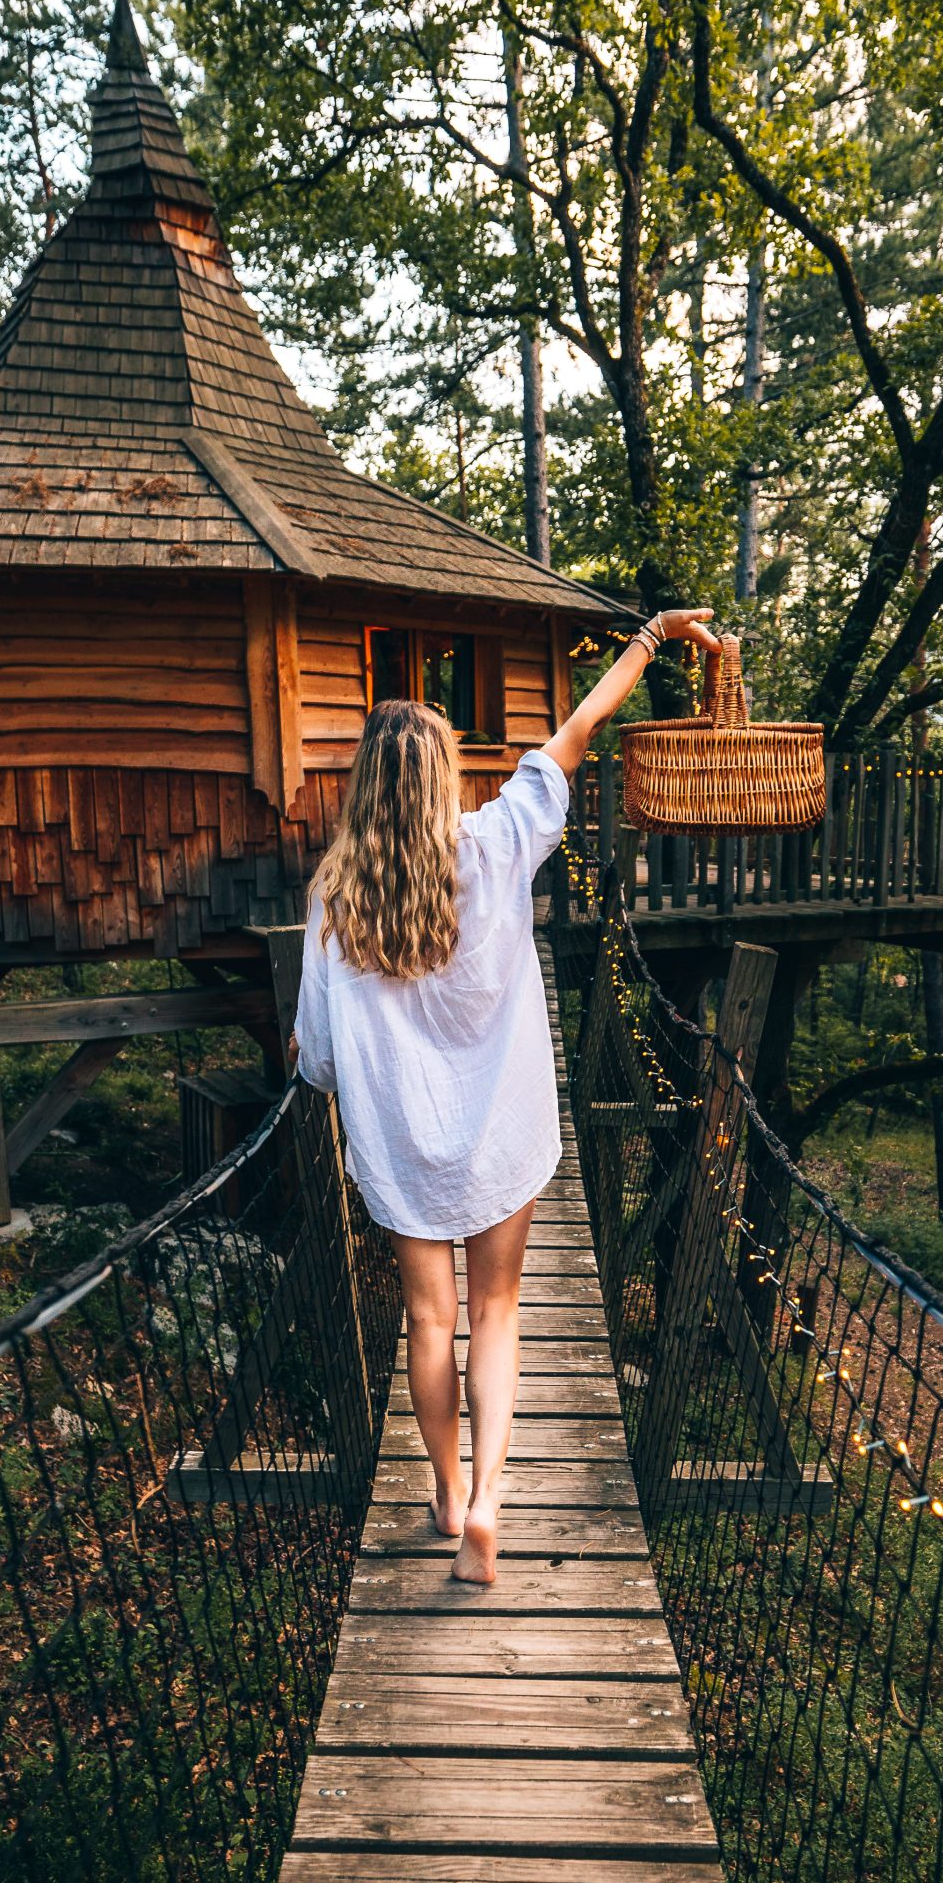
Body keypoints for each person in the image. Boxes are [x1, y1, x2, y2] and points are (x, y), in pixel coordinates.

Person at [293, 606, 720, 1583]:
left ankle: (442, 1493)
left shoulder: (335, 894)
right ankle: (489, 1499)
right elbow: (578, 730)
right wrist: (653, 635)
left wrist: (307, 1050)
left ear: (367, 785)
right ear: (445, 775)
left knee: (426, 1318)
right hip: (499, 1131)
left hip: (404, 1146)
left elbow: (317, 1057)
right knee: (498, 1309)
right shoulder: (496, 841)